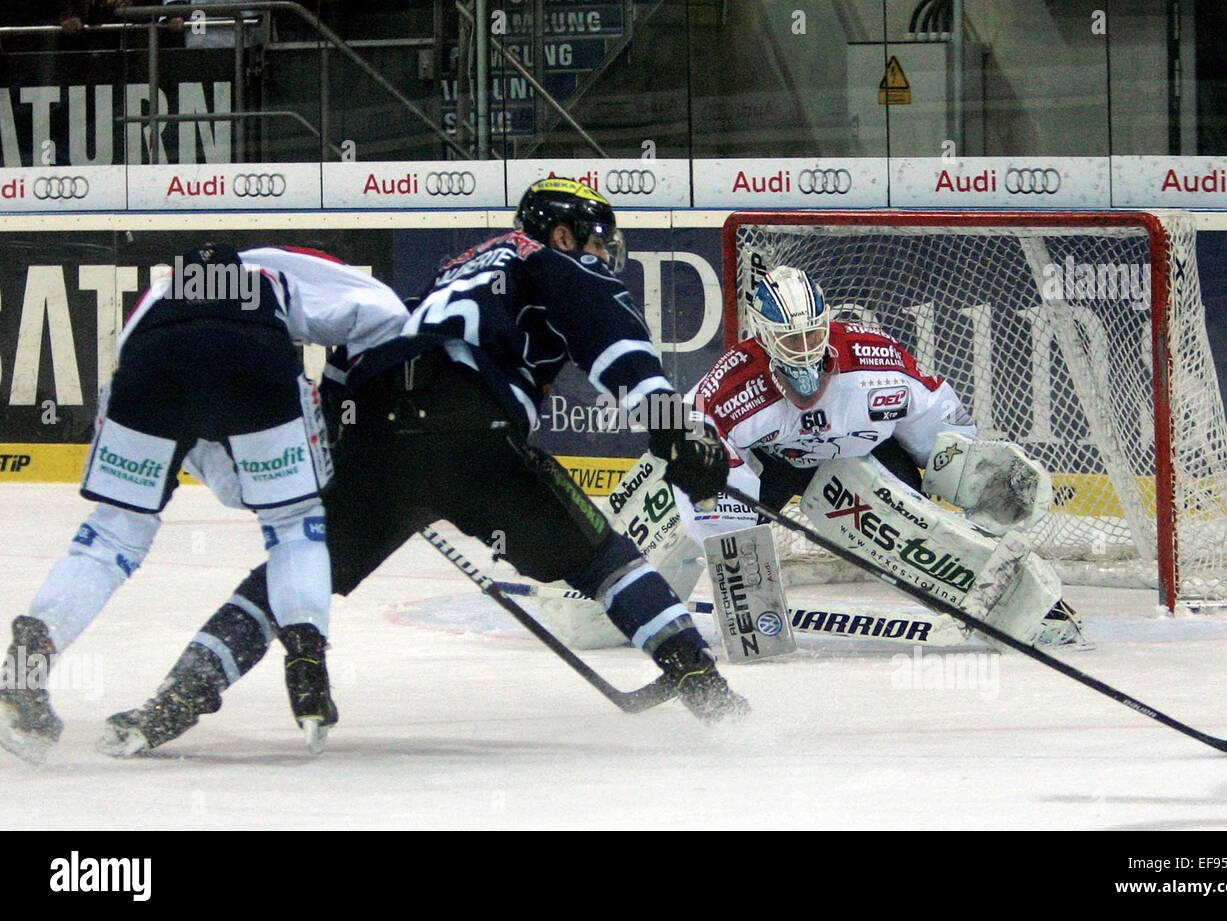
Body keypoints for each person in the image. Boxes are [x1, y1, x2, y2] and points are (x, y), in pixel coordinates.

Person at [98, 178, 745, 757]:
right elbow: (611, 333)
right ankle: (701, 678)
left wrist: (358, 460)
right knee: (603, 559)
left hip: (378, 429)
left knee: (289, 573)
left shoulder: (448, 273)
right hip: (473, 427)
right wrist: (670, 424)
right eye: (598, 241)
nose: (604, 256)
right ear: (561, 231)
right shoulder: (551, 260)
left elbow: (359, 351)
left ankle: (170, 703)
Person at [0, 244, 410, 763]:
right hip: (256, 368)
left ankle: (29, 659)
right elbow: (384, 318)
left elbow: (134, 367)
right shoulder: (269, 281)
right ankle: (307, 664)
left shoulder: (159, 293)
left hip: (151, 373)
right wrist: (342, 404)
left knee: (111, 535)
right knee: (292, 524)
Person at [544, 264, 1083, 652]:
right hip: (767, 465)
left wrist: (969, 472)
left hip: (858, 458)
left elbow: (936, 430)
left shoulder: (876, 365)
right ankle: (596, 600)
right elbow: (692, 444)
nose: (804, 354)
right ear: (763, 336)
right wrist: (730, 535)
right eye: (788, 340)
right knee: (680, 498)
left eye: (812, 336)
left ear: (828, 326)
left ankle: (1029, 607)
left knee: (904, 525)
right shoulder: (736, 384)